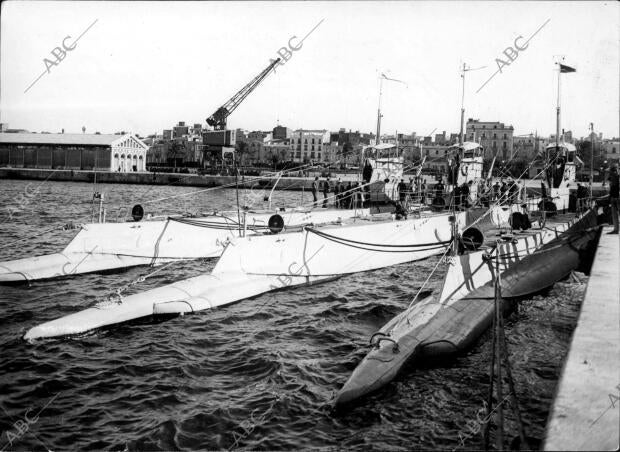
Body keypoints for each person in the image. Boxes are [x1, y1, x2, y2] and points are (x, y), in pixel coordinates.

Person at [608, 165, 619, 234]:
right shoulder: (613, 176)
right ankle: (616, 229)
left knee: (615, 215)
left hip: (616, 197)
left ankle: (616, 229)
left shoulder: (616, 176)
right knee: (614, 215)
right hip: (613, 197)